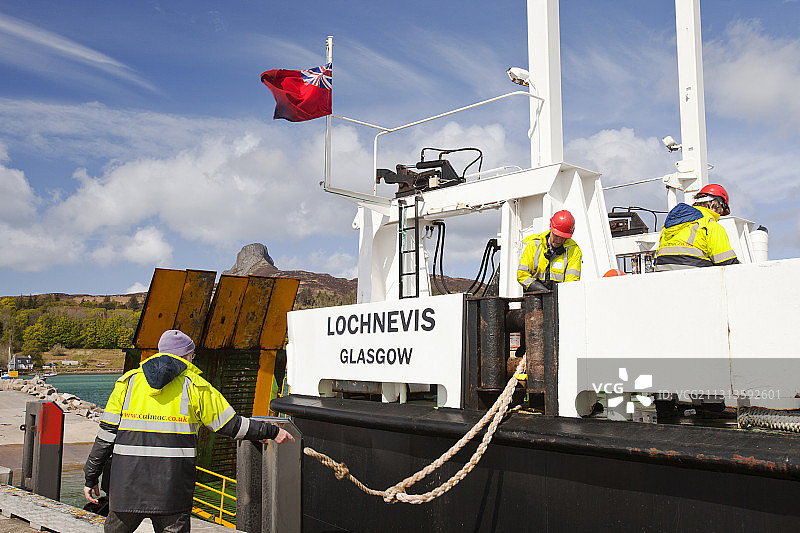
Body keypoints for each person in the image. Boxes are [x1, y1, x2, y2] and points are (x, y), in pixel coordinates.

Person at [83, 329, 294, 533]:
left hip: (125, 488)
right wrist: (271, 431)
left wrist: (90, 477)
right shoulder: (196, 386)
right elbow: (232, 426)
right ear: (188, 355)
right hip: (172, 490)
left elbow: (105, 437)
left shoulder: (128, 383)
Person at [654, 183, 739, 271]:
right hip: (694, 278)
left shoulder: (668, 226)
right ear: (714, 205)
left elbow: (657, 258)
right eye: (720, 212)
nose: (719, 216)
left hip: (663, 277)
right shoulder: (711, 226)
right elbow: (727, 262)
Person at [517, 209, 582, 291]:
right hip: (534, 296)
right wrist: (539, 289)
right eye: (556, 236)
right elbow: (522, 274)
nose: (559, 241)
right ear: (550, 227)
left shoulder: (573, 250)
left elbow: (572, 282)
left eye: (563, 238)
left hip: (560, 296)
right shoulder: (534, 245)